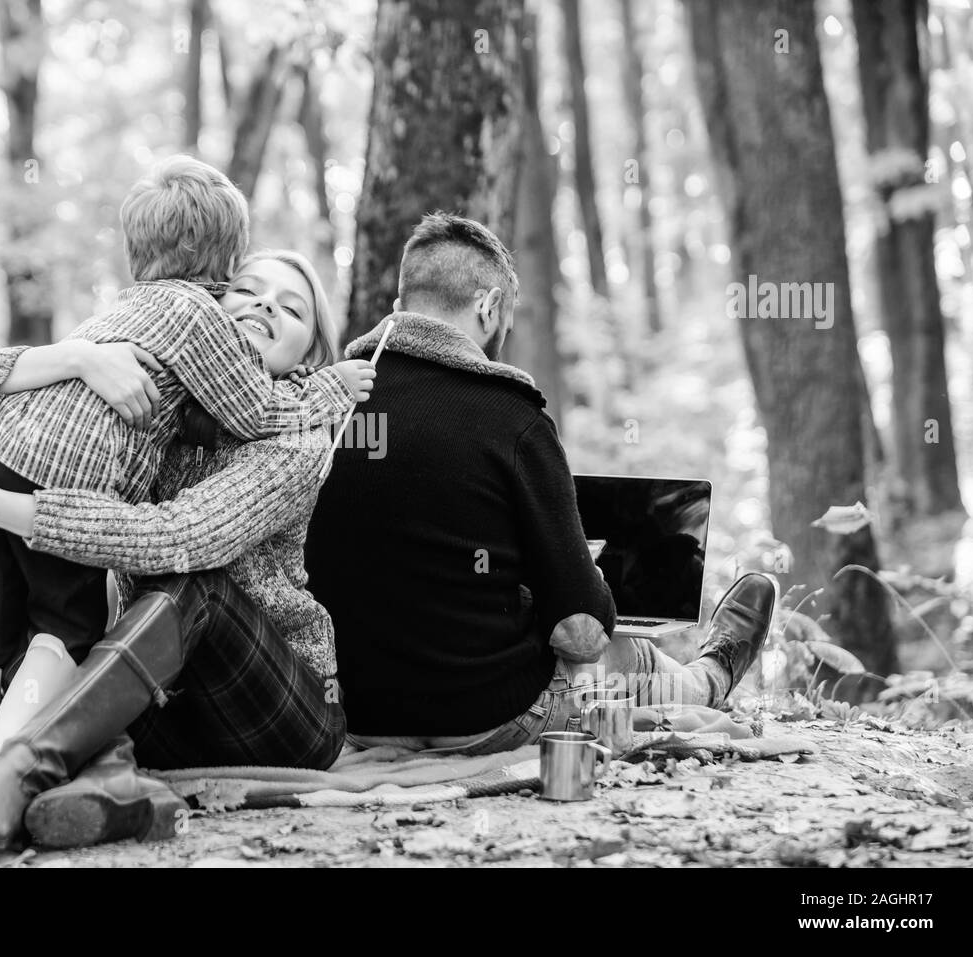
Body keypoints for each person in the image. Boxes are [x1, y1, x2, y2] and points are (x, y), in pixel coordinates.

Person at [0, 156, 371, 800]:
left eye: (291, 309)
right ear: (216, 294)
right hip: (169, 695)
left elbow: (176, 539)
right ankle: (8, 784)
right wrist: (76, 357)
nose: (264, 305)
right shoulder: (145, 371)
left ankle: (18, 773)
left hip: (280, 707)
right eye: (248, 289)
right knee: (15, 630)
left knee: (190, 583)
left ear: (312, 351)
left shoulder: (296, 435)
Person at [304, 213, 776, 755]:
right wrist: (581, 589)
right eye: (504, 318)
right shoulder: (511, 417)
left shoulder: (324, 404)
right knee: (619, 654)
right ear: (487, 307)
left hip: (351, 715)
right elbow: (580, 634)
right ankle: (710, 679)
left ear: (399, 307)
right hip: (486, 721)